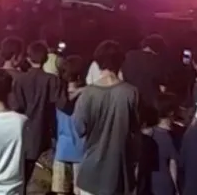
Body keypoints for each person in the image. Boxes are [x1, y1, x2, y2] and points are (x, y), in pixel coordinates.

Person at [73, 40, 139, 195]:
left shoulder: (88, 93)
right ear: (121, 62)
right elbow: (135, 132)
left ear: (97, 62)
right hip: (119, 174)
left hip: (90, 172)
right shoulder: (131, 93)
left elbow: (79, 128)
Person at [13, 41, 66, 187]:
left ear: (28, 58)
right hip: (43, 132)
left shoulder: (20, 79)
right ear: (46, 59)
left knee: (20, 173)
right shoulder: (52, 80)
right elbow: (62, 104)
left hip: (21, 130)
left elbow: (16, 106)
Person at [52, 55, 85, 195]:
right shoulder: (87, 94)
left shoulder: (57, 94)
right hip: (82, 149)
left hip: (61, 148)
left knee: (60, 191)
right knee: (80, 191)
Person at [121, 34, 169, 125]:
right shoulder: (158, 61)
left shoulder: (128, 55)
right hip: (149, 107)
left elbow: (121, 77)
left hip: (129, 101)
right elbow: (163, 89)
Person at [138, 94, 179, 195]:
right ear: (171, 112)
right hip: (165, 186)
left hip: (150, 183)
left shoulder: (149, 133)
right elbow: (173, 167)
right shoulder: (171, 137)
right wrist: (177, 189)